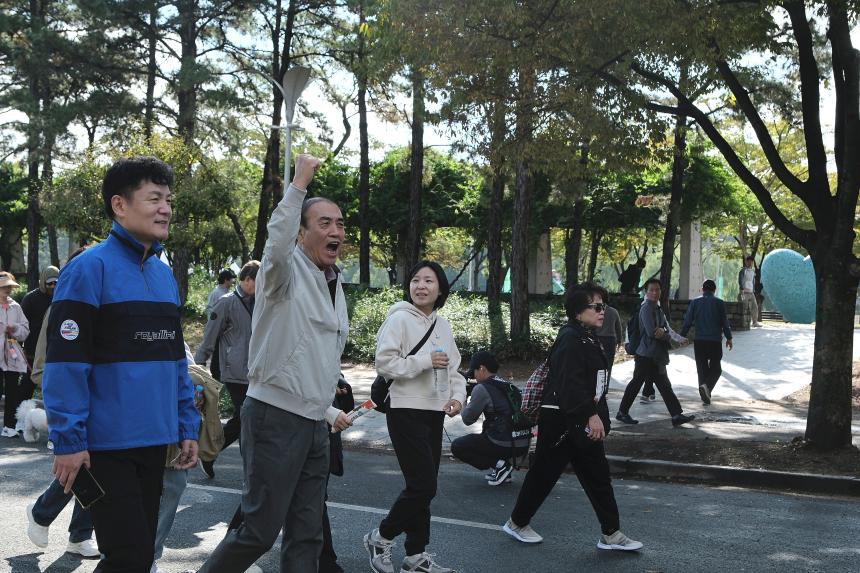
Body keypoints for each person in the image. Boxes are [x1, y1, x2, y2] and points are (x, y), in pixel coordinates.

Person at [42, 156, 200, 572]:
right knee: (128, 557)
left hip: (154, 442)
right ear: (119, 205)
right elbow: (65, 363)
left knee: (137, 556)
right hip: (103, 447)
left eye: (168, 199)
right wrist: (69, 441)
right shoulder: (88, 268)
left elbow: (174, 361)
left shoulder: (164, 276)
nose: (165, 208)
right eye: (154, 198)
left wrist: (187, 425)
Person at [197, 154, 351, 573]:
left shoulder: (333, 283)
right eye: (324, 223)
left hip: (313, 423)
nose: (335, 230)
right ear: (301, 233)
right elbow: (276, 241)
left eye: (339, 224)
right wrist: (299, 182)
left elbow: (316, 357)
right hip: (274, 416)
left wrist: (329, 409)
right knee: (259, 531)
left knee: (307, 534)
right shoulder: (281, 273)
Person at [502, 283, 642, 551]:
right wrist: (591, 415)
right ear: (578, 312)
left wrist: (600, 417)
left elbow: (594, 386)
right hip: (561, 421)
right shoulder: (570, 338)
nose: (603, 312)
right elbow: (570, 385)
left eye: (605, 306)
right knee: (544, 473)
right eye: (597, 307)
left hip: (579, 420)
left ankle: (611, 533)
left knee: (598, 477)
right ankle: (517, 522)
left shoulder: (588, 337)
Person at [364, 260, 467, 573]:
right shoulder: (398, 319)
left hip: (434, 412)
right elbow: (385, 364)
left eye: (429, 281)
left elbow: (455, 371)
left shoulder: (443, 325)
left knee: (422, 485)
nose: (421, 286)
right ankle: (381, 537)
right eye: (416, 280)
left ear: (440, 289)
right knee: (424, 486)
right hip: (405, 409)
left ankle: (415, 556)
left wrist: (458, 398)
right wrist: (424, 360)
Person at [152, 347, 225, 573]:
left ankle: (149, 557)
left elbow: (186, 375)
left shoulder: (167, 320)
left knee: (173, 485)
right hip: (130, 425)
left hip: (171, 427)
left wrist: (189, 430)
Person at [194, 259, 260, 478]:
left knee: (249, 418)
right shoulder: (226, 302)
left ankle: (244, 464)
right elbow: (210, 335)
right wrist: (199, 364)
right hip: (232, 371)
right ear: (247, 279)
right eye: (258, 281)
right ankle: (210, 453)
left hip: (255, 371)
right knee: (244, 417)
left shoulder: (260, 302)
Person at [614, 279, 695, 427]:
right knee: (636, 383)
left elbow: (663, 328)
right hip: (645, 354)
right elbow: (652, 333)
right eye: (651, 290)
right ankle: (622, 412)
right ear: (646, 292)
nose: (655, 292)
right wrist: (665, 334)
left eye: (657, 289)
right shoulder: (646, 308)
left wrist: (664, 332)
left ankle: (676, 415)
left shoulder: (657, 308)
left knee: (664, 385)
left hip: (656, 355)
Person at [451, 350, 529, 486]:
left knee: (458, 446)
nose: (473, 375)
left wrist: (463, 397)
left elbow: (467, 419)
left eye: (474, 371)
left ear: (481, 368)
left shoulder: (482, 388)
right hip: (522, 442)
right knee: (489, 429)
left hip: (504, 442)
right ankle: (504, 471)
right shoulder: (509, 385)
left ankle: (500, 465)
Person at [680, 280, 733, 405]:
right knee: (716, 369)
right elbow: (724, 322)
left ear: (702, 289)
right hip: (714, 341)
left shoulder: (695, 302)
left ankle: (705, 391)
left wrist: (681, 337)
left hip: (699, 341)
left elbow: (687, 321)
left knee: (702, 369)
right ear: (714, 290)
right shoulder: (719, 303)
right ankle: (707, 388)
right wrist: (729, 338)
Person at [18, 265, 59, 405]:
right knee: (26, 388)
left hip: (53, 353)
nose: (53, 286)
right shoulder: (30, 299)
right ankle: (16, 420)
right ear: (43, 281)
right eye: (50, 283)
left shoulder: (60, 299)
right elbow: (21, 324)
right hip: (32, 352)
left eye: (56, 283)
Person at [1, 271, 29, 437]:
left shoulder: (16, 307)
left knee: (12, 391)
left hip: (12, 356)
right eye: (4, 287)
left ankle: (9, 426)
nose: (8, 289)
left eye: (10, 286)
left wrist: (15, 329)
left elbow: (25, 330)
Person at [593, 286, 622, 379]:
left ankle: (597, 387)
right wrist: (619, 341)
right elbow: (618, 328)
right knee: (608, 366)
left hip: (597, 339)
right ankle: (605, 387)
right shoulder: (614, 311)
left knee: (596, 365)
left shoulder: (594, 311)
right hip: (610, 340)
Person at [738, 256, 762, 327]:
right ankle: (743, 322)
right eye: (748, 261)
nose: (750, 263)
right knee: (743, 307)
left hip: (751, 292)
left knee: (755, 307)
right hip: (744, 292)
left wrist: (753, 289)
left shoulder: (753, 271)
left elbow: (753, 281)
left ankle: (755, 322)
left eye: (751, 262)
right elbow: (740, 280)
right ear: (746, 262)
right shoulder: (743, 271)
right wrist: (741, 288)